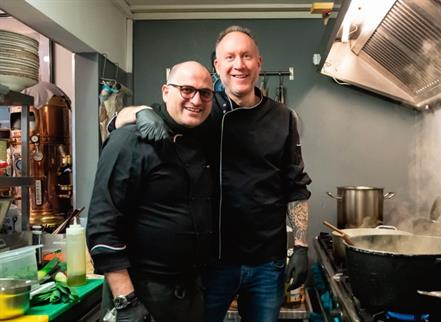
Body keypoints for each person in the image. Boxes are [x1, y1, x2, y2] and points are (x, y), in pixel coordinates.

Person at [112, 25, 312, 322]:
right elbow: (123, 121)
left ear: (259, 63)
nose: (238, 64)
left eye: (246, 56)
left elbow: (295, 185)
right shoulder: (201, 107)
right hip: (211, 261)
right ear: (217, 66)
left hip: (266, 262)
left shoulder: (284, 118)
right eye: (229, 57)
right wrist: (138, 111)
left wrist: (301, 246)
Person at [87, 61, 216, 322]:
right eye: (187, 90)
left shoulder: (201, 138)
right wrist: (126, 301)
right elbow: (103, 224)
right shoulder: (129, 140)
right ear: (166, 91)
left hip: (191, 294)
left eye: (205, 93)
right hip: (142, 293)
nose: (196, 99)